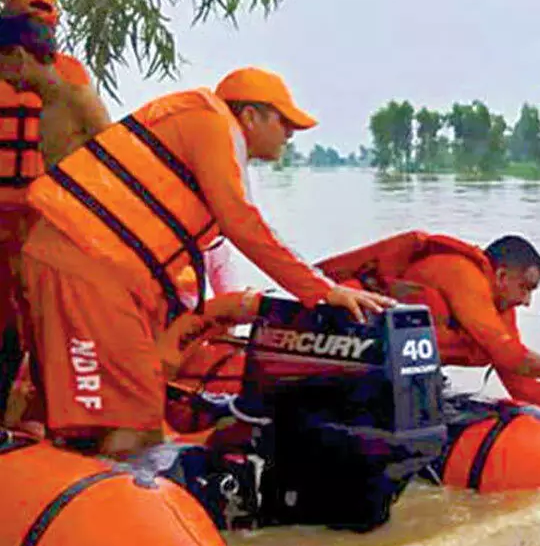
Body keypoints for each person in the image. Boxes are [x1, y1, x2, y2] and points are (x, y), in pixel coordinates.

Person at [1, 60, 397, 458]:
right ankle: (110, 506)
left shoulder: (206, 134)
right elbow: (243, 223)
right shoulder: (210, 120)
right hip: (83, 265)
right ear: (250, 115)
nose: (291, 134)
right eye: (285, 122)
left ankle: (79, 484)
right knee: (135, 427)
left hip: (91, 268)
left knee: (112, 421)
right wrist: (321, 290)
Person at [316, 231, 540, 424]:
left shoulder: (499, 310)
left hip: (394, 371)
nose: (527, 301)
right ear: (502, 275)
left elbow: (521, 386)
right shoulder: (463, 274)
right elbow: (509, 355)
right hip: (344, 347)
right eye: (526, 288)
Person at [0, 0, 111, 420]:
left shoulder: (71, 82)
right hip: (13, 219)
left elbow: (105, 148)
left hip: (46, 217)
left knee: (43, 322)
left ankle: (48, 411)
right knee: (15, 326)